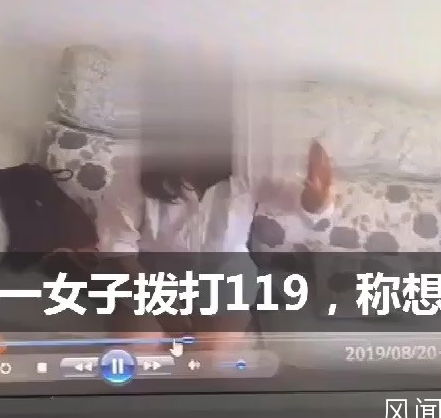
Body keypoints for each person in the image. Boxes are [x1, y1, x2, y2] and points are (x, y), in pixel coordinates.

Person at [101, 138, 335, 352]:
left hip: (226, 275)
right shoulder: (135, 172)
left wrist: (316, 199)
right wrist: (159, 301)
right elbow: (119, 248)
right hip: (149, 275)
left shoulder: (248, 166)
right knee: (138, 350)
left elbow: (295, 200)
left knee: (212, 357)